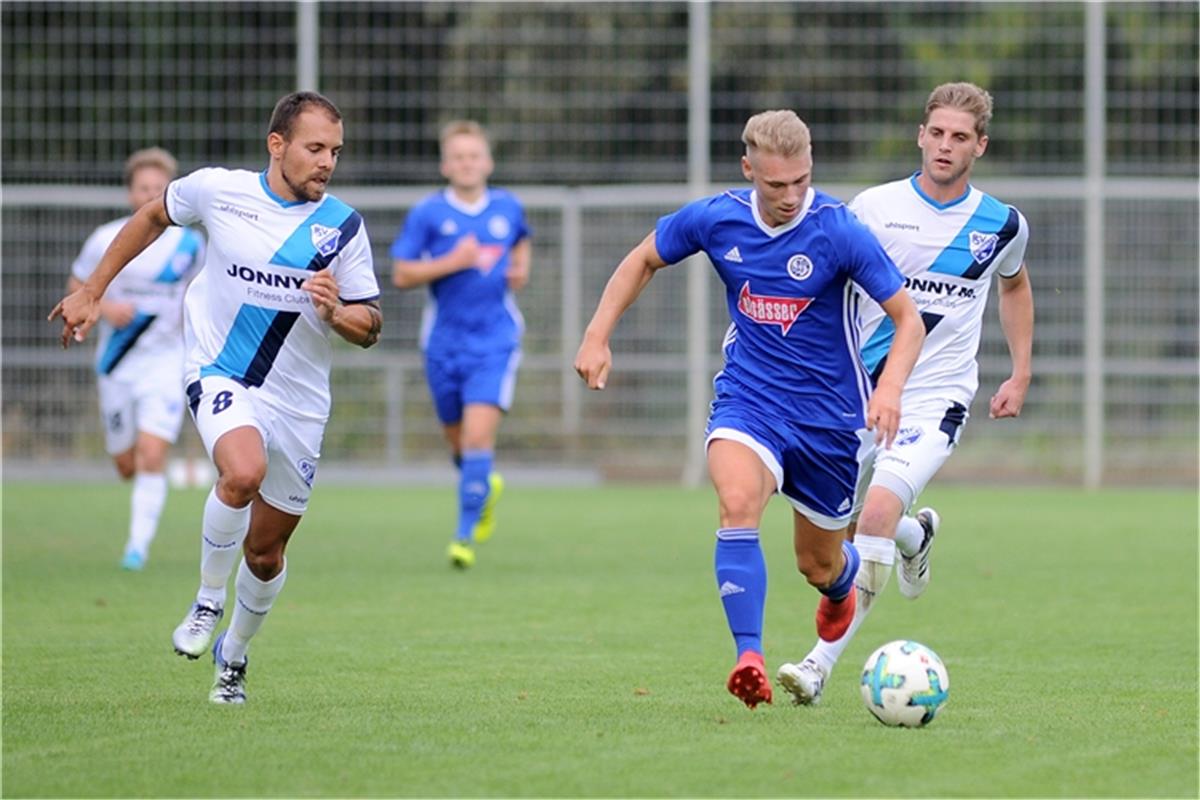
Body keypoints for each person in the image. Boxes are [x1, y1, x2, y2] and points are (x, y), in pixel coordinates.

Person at [574, 110, 925, 709]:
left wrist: (888, 388)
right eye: (775, 184)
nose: (791, 196)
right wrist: (596, 335)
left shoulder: (837, 230)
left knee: (816, 563)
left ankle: (841, 585)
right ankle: (750, 657)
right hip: (750, 399)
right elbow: (643, 259)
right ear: (748, 171)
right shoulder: (717, 219)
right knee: (737, 503)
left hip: (830, 419)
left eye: (801, 181)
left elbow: (907, 318)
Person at [50, 91, 382, 704]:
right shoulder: (218, 191)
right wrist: (95, 290)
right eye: (314, 148)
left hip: (301, 404)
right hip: (220, 370)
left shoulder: (342, 227)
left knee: (265, 553)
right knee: (242, 472)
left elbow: (371, 325)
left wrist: (338, 313)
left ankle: (234, 653)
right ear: (276, 145)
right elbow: (153, 216)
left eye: (335, 151)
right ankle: (206, 598)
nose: (327, 162)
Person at [777, 82, 1034, 705]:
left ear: (980, 146)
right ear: (921, 135)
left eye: (960, 138)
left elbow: (1015, 287)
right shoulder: (873, 208)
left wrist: (1020, 371)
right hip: (856, 392)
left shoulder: (1001, 225)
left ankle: (817, 666)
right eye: (937, 133)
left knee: (875, 516)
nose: (946, 146)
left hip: (934, 398)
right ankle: (917, 539)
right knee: (826, 545)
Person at [391, 120, 532, 570]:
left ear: (487, 162)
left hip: (495, 340)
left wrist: (520, 270)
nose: (467, 164)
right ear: (445, 165)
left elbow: (522, 240)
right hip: (442, 343)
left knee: (476, 437)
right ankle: (483, 486)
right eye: (458, 157)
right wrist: (454, 261)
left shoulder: (507, 207)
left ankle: (463, 536)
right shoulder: (429, 214)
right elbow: (402, 273)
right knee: (458, 442)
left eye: (475, 156)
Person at [68, 147, 205, 571]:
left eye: (158, 188)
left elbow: (200, 294)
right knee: (126, 463)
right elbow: (79, 283)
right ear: (130, 194)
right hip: (116, 362)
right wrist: (106, 309)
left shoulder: (189, 243)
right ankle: (136, 522)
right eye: (143, 188)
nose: (150, 195)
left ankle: (137, 548)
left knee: (151, 454)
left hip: (166, 362)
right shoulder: (106, 239)